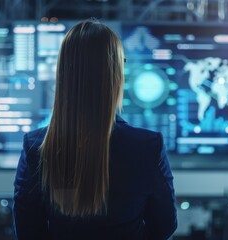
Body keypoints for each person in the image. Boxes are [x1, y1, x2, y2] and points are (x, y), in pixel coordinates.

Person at [13, 18, 177, 240]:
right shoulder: (147, 147)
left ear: (63, 74)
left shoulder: (35, 147)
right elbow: (164, 226)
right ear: (115, 74)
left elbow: (27, 231)